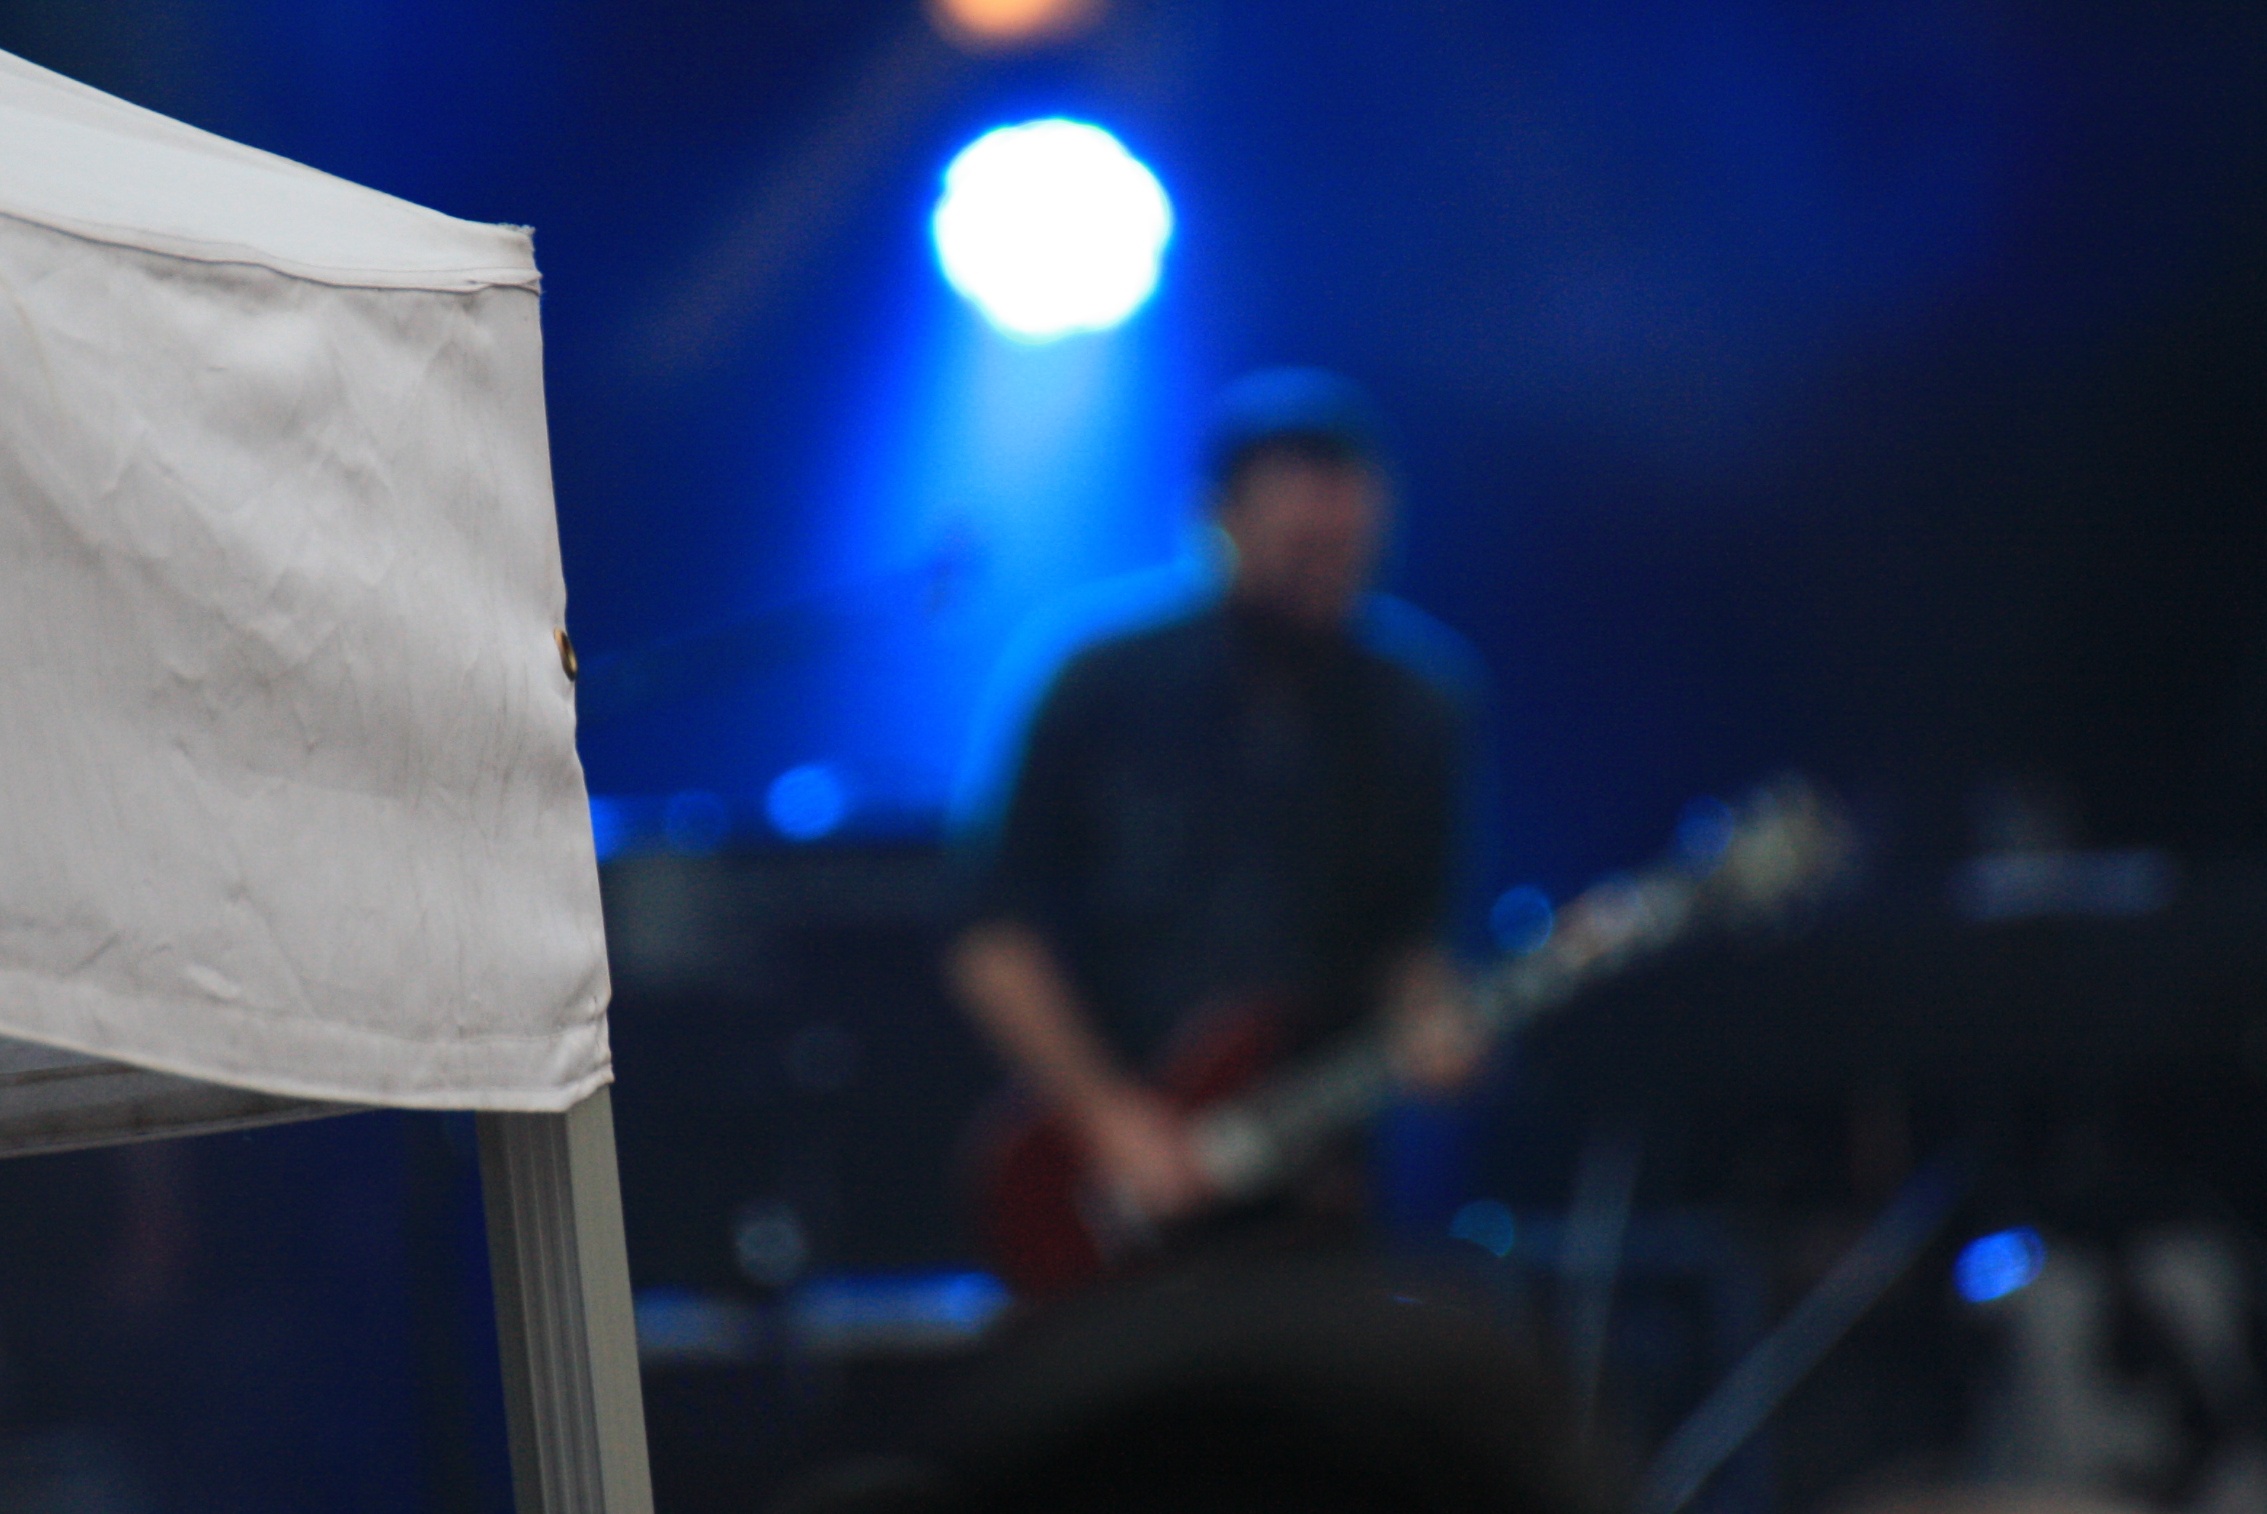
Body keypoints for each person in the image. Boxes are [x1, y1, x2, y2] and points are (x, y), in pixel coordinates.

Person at [948, 368, 1486, 1242]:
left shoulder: (1420, 705)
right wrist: (1105, 1115)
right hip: (1102, 1182)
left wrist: (1439, 1028)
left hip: (1313, 1183)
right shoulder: (1098, 683)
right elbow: (990, 932)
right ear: (1218, 520)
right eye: (1299, 548)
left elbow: (1411, 943)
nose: (1326, 576)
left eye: (1349, 551)